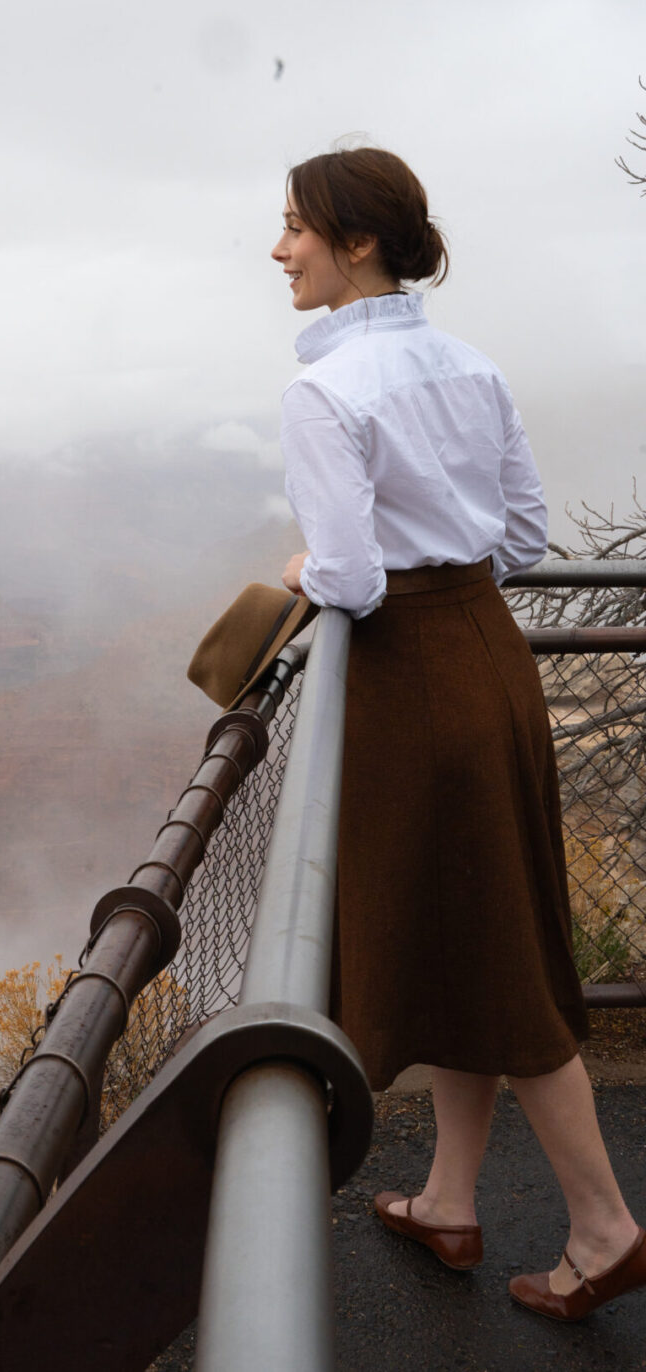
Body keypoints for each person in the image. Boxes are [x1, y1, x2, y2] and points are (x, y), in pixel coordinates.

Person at [271, 146, 644, 1321]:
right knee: (475, 936)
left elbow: (348, 579)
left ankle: (603, 1227)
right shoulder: (473, 367)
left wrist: (303, 568)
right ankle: (447, 1199)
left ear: (357, 242)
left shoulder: (324, 392)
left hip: (411, 679)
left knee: (495, 961)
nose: (277, 251)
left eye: (294, 228)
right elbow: (525, 540)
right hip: (493, 659)